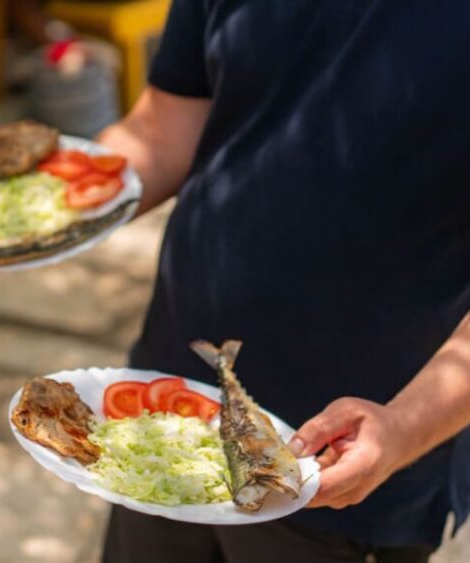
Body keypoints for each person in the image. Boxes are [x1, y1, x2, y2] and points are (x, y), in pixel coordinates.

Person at [95, 1, 470, 562]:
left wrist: (401, 429)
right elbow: (164, 131)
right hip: (166, 413)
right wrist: (7, 216)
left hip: (333, 473)